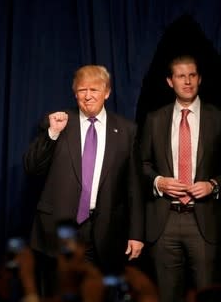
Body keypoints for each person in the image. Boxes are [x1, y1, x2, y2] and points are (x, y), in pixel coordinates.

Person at [23, 65, 145, 296]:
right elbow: (32, 168)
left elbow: (134, 187)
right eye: (81, 90)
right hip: (58, 232)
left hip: (104, 232)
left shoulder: (127, 131)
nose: (87, 96)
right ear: (74, 93)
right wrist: (53, 133)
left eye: (94, 89)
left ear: (107, 92)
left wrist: (136, 233)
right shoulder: (59, 123)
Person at [140, 55, 221, 302]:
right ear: (170, 82)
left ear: (199, 79)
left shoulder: (219, 118)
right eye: (181, 76)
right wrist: (159, 182)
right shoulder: (155, 119)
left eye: (192, 75)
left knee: (207, 295)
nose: (187, 81)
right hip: (164, 221)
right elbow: (142, 164)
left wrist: (213, 185)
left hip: (204, 223)